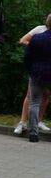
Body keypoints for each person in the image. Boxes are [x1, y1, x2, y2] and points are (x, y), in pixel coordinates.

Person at [14, 21, 51, 134]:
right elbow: (23, 40)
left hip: (37, 70)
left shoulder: (37, 38)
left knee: (42, 97)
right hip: (38, 71)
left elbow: (27, 58)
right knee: (31, 97)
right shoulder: (39, 30)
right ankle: (22, 122)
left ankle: (36, 126)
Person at [24, 13, 51, 143]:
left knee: (34, 102)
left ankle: (33, 134)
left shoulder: (36, 38)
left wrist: (31, 70)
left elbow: (27, 57)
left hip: (37, 74)